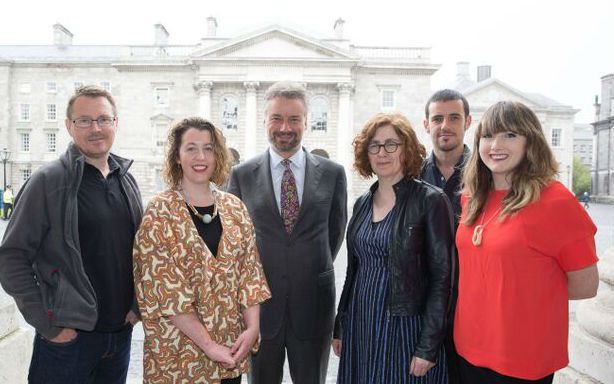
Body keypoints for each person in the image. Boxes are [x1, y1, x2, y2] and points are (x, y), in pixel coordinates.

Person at [0, 85, 143, 383]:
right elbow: (12, 257)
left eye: (103, 119)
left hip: (119, 337)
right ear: (68, 126)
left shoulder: (126, 180)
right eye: (84, 121)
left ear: (115, 123)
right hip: (69, 341)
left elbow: (139, 253)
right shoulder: (48, 181)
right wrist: (49, 325)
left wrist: (135, 307)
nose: (96, 128)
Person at [455, 101, 599, 384]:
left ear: (530, 141)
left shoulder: (555, 201)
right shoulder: (472, 197)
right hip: (467, 349)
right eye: (488, 136)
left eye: (510, 134)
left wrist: (523, 296)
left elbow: (585, 285)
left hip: (523, 358)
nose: (496, 145)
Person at [132, 117, 271, 383]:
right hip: (178, 356)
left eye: (208, 148)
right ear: (177, 156)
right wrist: (209, 346)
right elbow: (165, 292)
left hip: (230, 352)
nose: (201, 156)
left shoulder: (235, 208)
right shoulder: (159, 211)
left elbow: (250, 275)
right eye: (191, 148)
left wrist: (253, 328)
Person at [227, 81, 348, 384]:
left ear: (306, 121)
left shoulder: (333, 173)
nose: (285, 127)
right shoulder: (242, 175)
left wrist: (306, 265)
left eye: (294, 119)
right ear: (265, 121)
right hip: (259, 311)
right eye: (277, 118)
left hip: (314, 308)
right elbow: (235, 242)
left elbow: (334, 233)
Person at [333, 112, 454, 383]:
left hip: (405, 327)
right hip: (361, 323)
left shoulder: (431, 201)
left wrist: (428, 346)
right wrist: (340, 325)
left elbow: (443, 279)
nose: (382, 152)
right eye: (374, 145)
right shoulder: (362, 203)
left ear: (407, 148)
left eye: (391, 144)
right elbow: (353, 271)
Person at [420, 89, 472, 384]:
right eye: (437, 118)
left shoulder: (487, 173)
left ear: (468, 121)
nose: (445, 126)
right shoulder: (412, 175)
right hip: (425, 305)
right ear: (426, 125)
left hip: (471, 303)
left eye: (454, 117)